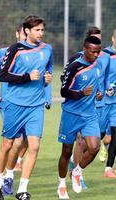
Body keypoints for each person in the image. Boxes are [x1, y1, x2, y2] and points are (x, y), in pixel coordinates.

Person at [0, 15, 53, 200]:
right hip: (14, 104)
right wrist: (27, 77)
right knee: (8, 144)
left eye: (42, 30)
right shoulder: (15, 49)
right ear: (26, 31)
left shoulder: (47, 49)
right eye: (37, 30)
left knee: (34, 146)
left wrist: (46, 79)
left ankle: (22, 190)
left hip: (35, 106)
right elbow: (3, 75)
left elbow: (47, 71)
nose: (41, 33)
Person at [0, 24, 28, 196]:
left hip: (29, 106)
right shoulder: (4, 52)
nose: (26, 37)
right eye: (23, 34)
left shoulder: (37, 53)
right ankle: (1, 179)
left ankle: (9, 174)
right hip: (9, 104)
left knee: (27, 141)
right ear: (17, 34)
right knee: (13, 142)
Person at [57, 36, 102, 199]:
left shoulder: (99, 64)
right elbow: (63, 91)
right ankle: (61, 185)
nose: (96, 55)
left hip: (90, 114)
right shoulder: (75, 66)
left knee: (94, 147)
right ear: (85, 49)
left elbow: (99, 83)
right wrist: (81, 93)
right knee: (66, 151)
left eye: (98, 52)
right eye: (93, 52)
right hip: (71, 114)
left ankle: (77, 171)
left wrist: (99, 93)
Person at [67, 27, 110, 187]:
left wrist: (103, 91)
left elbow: (104, 79)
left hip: (99, 105)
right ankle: (79, 176)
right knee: (80, 142)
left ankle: (75, 163)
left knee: (93, 143)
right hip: (79, 107)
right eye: (93, 38)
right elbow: (66, 80)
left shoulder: (104, 59)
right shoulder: (76, 58)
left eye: (99, 39)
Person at [102, 28, 116, 178]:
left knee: (115, 134)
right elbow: (98, 76)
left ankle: (108, 169)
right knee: (103, 137)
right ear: (113, 39)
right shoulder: (105, 55)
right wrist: (105, 89)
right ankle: (76, 164)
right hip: (104, 102)